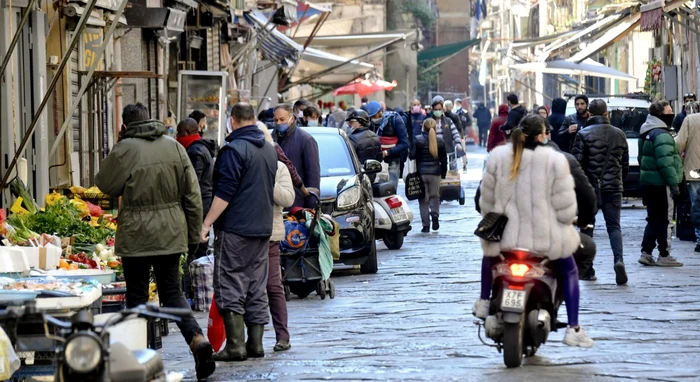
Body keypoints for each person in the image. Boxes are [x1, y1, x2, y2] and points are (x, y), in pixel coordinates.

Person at [95, 103, 216, 379]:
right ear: (150, 120)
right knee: (172, 292)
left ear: (125, 126)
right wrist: (191, 237)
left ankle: (140, 360)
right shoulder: (173, 147)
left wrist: (119, 145)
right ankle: (197, 339)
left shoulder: (125, 149)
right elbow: (193, 196)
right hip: (170, 234)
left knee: (137, 297)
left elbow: (105, 183)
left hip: (136, 236)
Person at [474, 115, 594, 348]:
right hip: (545, 239)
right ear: (542, 136)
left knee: (489, 253)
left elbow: (485, 202)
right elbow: (566, 207)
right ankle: (573, 327)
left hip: (506, 238)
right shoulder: (554, 160)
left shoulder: (497, 157)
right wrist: (570, 220)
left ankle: (484, 302)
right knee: (569, 270)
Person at [202, 103, 277, 362]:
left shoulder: (233, 150)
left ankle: (235, 346)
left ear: (232, 121)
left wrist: (206, 223)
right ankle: (255, 344)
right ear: (254, 120)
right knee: (257, 285)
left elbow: (225, 192)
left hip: (235, 229)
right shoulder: (269, 149)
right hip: (262, 228)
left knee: (230, 282)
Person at [571, 99, 629, 285]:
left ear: (589, 113)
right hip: (613, 187)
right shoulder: (619, 134)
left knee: (587, 226)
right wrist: (618, 180)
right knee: (614, 226)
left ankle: (587, 269)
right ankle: (618, 260)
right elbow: (625, 165)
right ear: (606, 114)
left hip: (590, 189)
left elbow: (576, 165)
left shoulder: (582, 134)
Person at [255, 125, 295, 352]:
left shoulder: (279, 168)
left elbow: (288, 198)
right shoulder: (241, 163)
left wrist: (267, 179)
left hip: (270, 234)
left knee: (272, 285)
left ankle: (283, 336)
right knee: (247, 287)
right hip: (244, 234)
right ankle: (251, 339)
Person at [638, 100, 684, 267]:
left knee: (653, 219)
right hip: (661, 183)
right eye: (669, 111)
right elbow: (666, 163)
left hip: (648, 183)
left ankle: (646, 252)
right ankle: (664, 254)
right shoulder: (662, 135)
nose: (672, 113)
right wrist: (674, 184)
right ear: (661, 115)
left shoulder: (645, 131)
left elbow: (641, 158)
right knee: (664, 219)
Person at [176, 118, 217, 301]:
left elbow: (193, 184)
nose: (177, 137)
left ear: (186, 133)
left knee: (194, 249)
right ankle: (196, 291)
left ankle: (192, 291)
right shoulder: (201, 148)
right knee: (199, 247)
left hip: (199, 204)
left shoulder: (195, 152)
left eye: (179, 133)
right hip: (204, 202)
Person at [272, 104, 321, 208]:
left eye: (282, 119)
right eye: (276, 120)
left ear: (292, 119)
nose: (279, 123)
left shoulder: (305, 140)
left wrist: (309, 209)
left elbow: (312, 176)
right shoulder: (271, 138)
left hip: (297, 204)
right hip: (276, 203)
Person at [410, 118, 447, 233]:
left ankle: (425, 225)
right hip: (435, 173)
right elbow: (444, 160)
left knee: (423, 200)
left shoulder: (417, 140)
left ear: (423, 127)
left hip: (421, 174)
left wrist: (411, 145)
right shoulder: (440, 141)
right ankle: (435, 214)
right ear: (435, 128)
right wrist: (443, 174)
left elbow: (412, 156)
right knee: (435, 196)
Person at [363, 100, 409, 189]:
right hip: (377, 161)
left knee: (390, 188)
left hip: (393, 159)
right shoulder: (370, 124)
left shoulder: (395, 119)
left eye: (374, 116)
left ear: (380, 112)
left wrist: (387, 152)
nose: (373, 118)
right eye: (370, 117)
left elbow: (404, 143)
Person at [676, 111, 700, 252]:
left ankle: (699, 237)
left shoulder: (691, 119)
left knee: (697, 205)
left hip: (695, 170)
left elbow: (679, 144)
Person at [347, 109, 382, 181]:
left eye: (352, 122)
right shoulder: (375, 136)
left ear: (359, 123)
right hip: (372, 176)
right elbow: (379, 159)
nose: (349, 124)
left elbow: (348, 161)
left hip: (358, 177)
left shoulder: (352, 138)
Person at [429, 96, 462, 171]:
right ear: (433, 110)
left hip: (448, 150)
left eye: (439, 109)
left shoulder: (448, 121)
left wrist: (458, 143)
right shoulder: (429, 121)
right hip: (433, 152)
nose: (438, 111)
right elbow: (424, 135)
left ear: (443, 110)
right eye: (436, 109)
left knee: (450, 171)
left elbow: (455, 133)